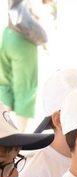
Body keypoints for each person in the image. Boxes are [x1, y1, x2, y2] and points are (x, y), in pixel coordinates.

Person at [0, 0, 47, 131]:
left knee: (4, 85)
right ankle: (18, 140)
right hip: (23, 39)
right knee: (26, 88)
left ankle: (2, 133)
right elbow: (38, 12)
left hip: (7, 35)